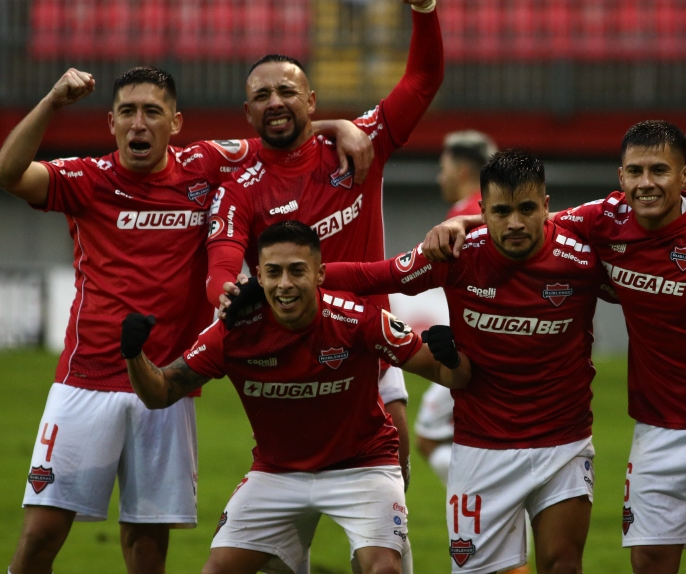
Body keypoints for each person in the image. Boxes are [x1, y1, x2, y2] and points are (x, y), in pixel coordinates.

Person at [0, 66, 366, 574]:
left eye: (151, 112)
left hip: (166, 386)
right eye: (127, 112)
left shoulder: (205, 163)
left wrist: (336, 126)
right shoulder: (85, 178)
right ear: (111, 123)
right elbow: (6, 175)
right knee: (40, 535)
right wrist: (52, 102)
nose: (138, 124)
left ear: (176, 122)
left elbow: (278, 130)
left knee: (146, 546)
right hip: (85, 382)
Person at [422, 122, 686, 574]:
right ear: (621, 177)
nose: (646, 182)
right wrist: (463, 220)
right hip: (656, 423)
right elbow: (532, 219)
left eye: (659, 170)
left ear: (685, 174)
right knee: (649, 562)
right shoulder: (603, 220)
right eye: (635, 171)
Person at [203, 0, 442, 573]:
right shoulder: (240, 189)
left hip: (373, 342)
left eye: (287, 92)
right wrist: (227, 294)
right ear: (248, 112)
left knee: (384, 519)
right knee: (284, 521)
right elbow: (223, 260)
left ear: (311, 100)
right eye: (262, 95)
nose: (276, 103)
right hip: (300, 352)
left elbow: (423, 79)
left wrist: (425, 11)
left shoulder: (355, 144)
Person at [119, 220, 471, 574]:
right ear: (258, 275)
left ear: (320, 274)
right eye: (273, 272)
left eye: (296, 271)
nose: (284, 284)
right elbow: (161, 392)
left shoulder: (358, 320)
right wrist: (135, 354)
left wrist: (450, 356)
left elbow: (445, 374)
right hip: (277, 473)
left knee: (384, 570)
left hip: (362, 466)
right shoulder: (234, 331)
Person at [323, 150, 603, 574]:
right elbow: (375, 276)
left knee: (563, 565)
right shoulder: (457, 254)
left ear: (547, 207)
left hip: (563, 444)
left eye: (527, 209)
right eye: (501, 211)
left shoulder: (582, 256)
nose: (514, 223)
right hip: (481, 448)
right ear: (483, 211)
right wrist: (302, 274)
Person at [417, 130, 498, 485]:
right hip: (505, 343)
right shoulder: (498, 210)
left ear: (462, 172)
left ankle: (494, 497)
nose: (440, 177)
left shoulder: (464, 219)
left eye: (443, 167)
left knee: (426, 437)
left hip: (477, 349)